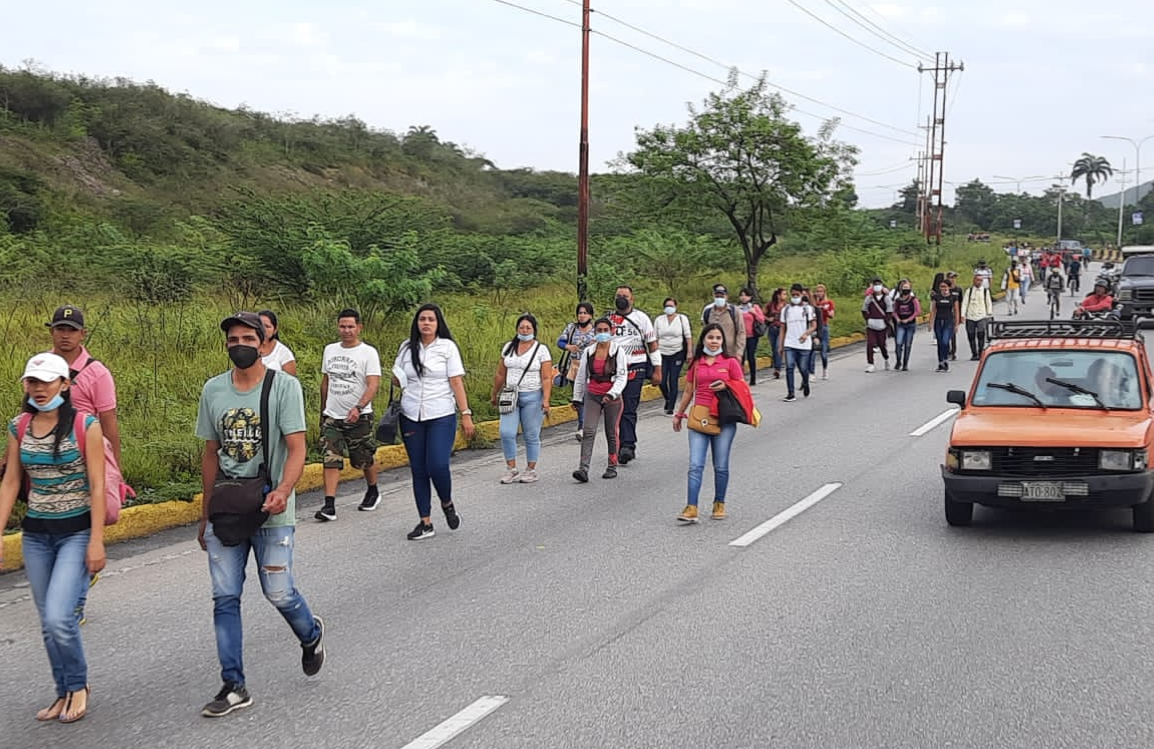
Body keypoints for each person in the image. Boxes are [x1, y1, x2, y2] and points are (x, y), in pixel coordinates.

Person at [196, 312, 324, 718]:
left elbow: (298, 446)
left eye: (247, 337)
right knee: (224, 597)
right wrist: (205, 512)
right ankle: (233, 684)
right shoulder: (213, 390)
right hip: (228, 506)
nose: (239, 344)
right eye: (232, 339)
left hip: (271, 506)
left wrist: (285, 490)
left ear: (264, 341)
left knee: (279, 592)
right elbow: (210, 452)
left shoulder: (284, 387)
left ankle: (311, 633)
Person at [0, 353, 106, 724]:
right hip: (36, 535)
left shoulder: (85, 425)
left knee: (61, 617)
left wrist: (96, 539)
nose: (39, 389)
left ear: (65, 384)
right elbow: (11, 481)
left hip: (75, 533)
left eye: (47, 381)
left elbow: (97, 485)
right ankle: (62, 691)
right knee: (48, 621)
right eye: (33, 381)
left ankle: (79, 685)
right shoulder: (19, 426)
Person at [44, 305, 119, 625]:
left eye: (71, 330)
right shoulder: (42, 366)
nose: (65, 335)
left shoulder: (97, 372)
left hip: (86, 456)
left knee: (79, 526)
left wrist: (114, 464)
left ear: (82, 334)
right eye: (60, 329)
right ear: (52, 331)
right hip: (47, 457)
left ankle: (74, 605)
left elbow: (108, 420)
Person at [394, 304, 475, 541]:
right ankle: (425, 522)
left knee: (437, 465)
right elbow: (397, 378)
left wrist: (466, 413)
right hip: (411, 415)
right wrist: (398, 378)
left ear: (438, 322)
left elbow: (456, 382)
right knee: (419, 469)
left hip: (441, 413)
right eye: (422, 319)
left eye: (431, 319)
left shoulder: (447, 347)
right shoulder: (406, 348)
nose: (426, 323)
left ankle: (447, 503)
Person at [672, 324, 744, 523]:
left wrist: (726, 385)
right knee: (695, 464)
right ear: (703, 339)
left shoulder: (730, 362)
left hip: (724, 418)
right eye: (710, 337)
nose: (714, 341)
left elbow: (742, 387)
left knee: (720, 465)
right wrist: (679, 414)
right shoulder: (697, 363)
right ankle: (691, 507)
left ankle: (719, 503)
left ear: (723, 341)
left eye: (718, 338)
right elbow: (688, 391)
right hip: (699, 417)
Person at [316, 308, 382, 521]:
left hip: (359, 416)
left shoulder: (368, 353)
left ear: (359, 328)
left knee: (362, 458)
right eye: (343, 326)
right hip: (332, 415)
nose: (346, 330)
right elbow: (326, 382)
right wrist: (322, 410)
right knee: (330, 458)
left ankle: (373, 489)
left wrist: (359, 407)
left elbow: (373, 385)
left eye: (350, 326)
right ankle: (329, 505)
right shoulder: (330, 350)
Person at [491, 313, 552, 484]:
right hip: (510, 396)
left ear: (534, 330)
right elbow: (500, 373)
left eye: (528, 327)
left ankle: (530, 470)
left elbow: (546, 377)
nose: (524, 330)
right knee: (506, 432)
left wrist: (546, 400)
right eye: (522, 327)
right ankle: (511, 468)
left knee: (531, 434)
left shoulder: (541, 350)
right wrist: (494, 393)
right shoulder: (509, 347)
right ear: (517, 328)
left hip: (532, 396)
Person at [570, 317, 629, 482]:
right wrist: (577, 397)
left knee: (611, 432)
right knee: (588, 431)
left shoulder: (618, 351)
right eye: (599, 331)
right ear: (594, 333)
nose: (602, 334)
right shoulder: (589, 352)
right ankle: (583, 469)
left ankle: (612, 465)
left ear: (611, 331)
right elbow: (581, 376)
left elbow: (621, 376)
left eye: (605, 330)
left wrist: (612, 393)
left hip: (612, 397)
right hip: (593, 395)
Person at [608, 286, 660, 465]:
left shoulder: (641, 318)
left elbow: (652, 345)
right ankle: (616, 443)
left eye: (625, 296)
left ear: (632, 299)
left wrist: (657, 369)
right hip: (613, 370)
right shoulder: (608, 320)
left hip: (636, 367)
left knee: (629, 406)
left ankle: (627, 446)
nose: (621, 298)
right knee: (615, 408)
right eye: (618, 296)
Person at [556, 302, 596, 439]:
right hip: (574, 366)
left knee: (588, 396)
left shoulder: (596, 330)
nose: (582, 315)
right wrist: (569, 347)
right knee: (578, 397)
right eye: (580, 313)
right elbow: (560, 342)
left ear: (590, 315)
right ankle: (582, 425)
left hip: (591, 367)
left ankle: (588, 423)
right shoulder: (571, 328)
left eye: (585, 313)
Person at [654, 297, 692, 415]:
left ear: (676, 307)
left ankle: (670, 407)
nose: (669, 308)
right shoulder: (659, 320)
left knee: (673, 379)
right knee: (662, 380)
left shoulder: (682, 319)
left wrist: (690, 352)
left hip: (677, 352)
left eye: (671, 306)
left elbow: (688, 336)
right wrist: (653, 354)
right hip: (662, 353)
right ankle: (668, 398)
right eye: (667, 306)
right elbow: (654, 338)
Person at [779, 283, 817, 402]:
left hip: (804, 344)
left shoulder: (807, 309)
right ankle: (791, 393)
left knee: (803, 367)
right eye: (793, 295)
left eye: (797, 295)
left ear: (802, 294)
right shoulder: (786, 310)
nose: (795, 297)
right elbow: (782, 328)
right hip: (790, 343)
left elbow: (814, 325)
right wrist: (781, 345)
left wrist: (806, 334)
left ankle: (805, 382)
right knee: (789, 366)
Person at [701, 284, 746, 364]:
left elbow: (741, 332)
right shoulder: (708, 312)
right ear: (713, 296)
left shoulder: (734, 311)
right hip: (712, 353)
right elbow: (704, 333)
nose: (719, 298)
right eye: (717, 296)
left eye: (722, 296)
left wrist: (739, 352)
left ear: (726, 297)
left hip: (730, 353)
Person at [960, 273, 995, 360]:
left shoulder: (985, 291)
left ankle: (980, 353)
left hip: (981, 316)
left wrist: (989, 314)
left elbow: (988, 303)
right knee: (971, 335)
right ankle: (974, 353)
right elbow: (964, 303)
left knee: (981, 334)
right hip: (970, 316)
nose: (979, 282)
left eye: (981, 280)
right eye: (977, 280)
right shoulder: (969, 291)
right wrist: (962, 315)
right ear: (974, 280)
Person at [928, 278, 959, 373]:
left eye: (945, 286)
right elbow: (933, 310)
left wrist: (957, 324)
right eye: (941, 287)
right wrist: (930, 323)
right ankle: (940, 362)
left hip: (948, 322)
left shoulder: (953, 297)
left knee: (945, 341)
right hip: (938, 321)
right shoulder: (936, 297)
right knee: (940, 343)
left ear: (949, 287)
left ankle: (945, 359)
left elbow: (957, 311)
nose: (943, 288)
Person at [861, 278, 892, 373]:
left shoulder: (886, 298)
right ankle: (870, 364)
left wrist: (885, 321)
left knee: (882, 344)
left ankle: (886, 358)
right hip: (871, 326)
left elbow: (889, 311)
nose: (877, 286)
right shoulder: (869, 298)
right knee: (870, 344)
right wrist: (868, 319)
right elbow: (864, 309)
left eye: (879, 284)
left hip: (882, 326)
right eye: (875, 284)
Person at [737, 287, 766, 385]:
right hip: (740, 336)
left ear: (750, 297)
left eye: (746, 295)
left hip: (752, 335)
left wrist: (754, 313)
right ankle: (740, 377)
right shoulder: (738, 308)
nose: (743, 297)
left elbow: (762, 319)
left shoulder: (754, 307)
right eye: (742, 295)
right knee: (740, 356)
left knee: (750, 356)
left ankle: (753, 378)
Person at [892, 280, 921, 371]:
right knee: (898, 343)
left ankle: (905, 363)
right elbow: (894, 311)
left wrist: (909, 319)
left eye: (907, 288)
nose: (906, 290)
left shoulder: (913, 299)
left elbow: (917, 311)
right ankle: (898, 360)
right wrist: (897, 319)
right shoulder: (898, 300)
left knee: (908, 344)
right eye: (904, 288)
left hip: (910, 324)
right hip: (900, 324)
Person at [258, 309, 298, 375]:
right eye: (260, 326)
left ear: (275, 330)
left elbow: (290, 382)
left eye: (267, 326)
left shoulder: (284, 353)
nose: (263, 330)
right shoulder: (248, 348)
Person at [809, 284, 835, 380]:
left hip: (823, 327)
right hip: (814, 327)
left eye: (821, 291)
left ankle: (825, 369)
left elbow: (832, 315)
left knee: (823, 352)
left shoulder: (828, 302)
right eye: (818, 291)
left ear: (824, 292)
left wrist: (826, 311)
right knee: (812, 351)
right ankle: (811, 373)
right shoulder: (813, 304)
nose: (819, 293)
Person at [764, 288, 787, 379]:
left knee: (778, 347)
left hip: (782, 329)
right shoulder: (771, 305)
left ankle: (777, 369)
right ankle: (776, 364)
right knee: (774, 348)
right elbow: (762, 314)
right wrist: (768, 319)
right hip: (772, 328)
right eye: (783, 294)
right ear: (778, 295)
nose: (785, 296)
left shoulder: (787, 306)